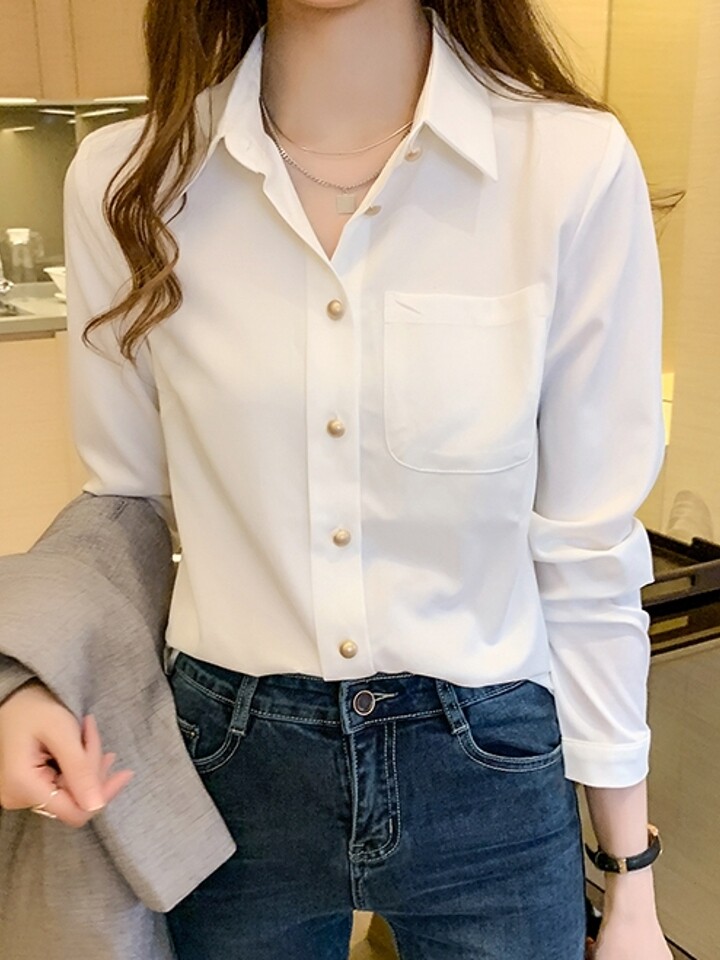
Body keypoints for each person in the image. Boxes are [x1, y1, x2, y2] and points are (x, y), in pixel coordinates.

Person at [0, 1, 672, 958]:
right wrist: (27, 675)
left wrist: (631, 883)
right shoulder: (127, 179)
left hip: (489, 764)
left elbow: (587, 546)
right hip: (228, 761)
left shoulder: (568, 165)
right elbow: (124, 505)